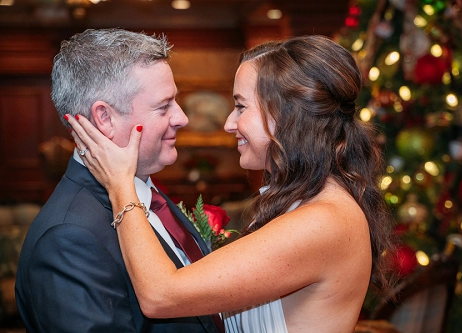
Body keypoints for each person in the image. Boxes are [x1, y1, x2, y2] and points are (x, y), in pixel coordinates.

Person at [67, 35, 394, 333]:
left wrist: (120, 183)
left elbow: (160, 296)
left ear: (286, 115)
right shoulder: (309, 203)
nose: (229, 123)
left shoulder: (324, 220)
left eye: (240, 106)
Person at [15, 28, 224, 333]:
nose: (182, 118)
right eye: (164, 106)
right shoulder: (69, 238)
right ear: (105, 118)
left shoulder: (148, 194)